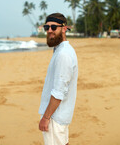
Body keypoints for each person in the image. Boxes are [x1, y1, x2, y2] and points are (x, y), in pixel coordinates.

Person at [39, 13, 78, 145]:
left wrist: (46, 117)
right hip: (59, 115)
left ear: (64, 28)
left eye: (54, 27)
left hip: (55, 117)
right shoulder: (61, 50)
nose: (49, 30)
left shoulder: (63, 54)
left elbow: (59, 92)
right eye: (47, 27)